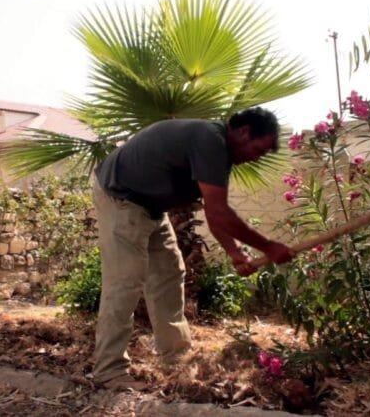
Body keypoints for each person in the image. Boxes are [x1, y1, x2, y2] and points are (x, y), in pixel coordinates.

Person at [91, 107, 295, 390]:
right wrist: (269, 246)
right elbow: (220, 212)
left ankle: (175, 358)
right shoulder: (209, 139)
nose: (255, 158)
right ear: (244, 132)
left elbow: (214, 213)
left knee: (169, 273)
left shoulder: (218, 151)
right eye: (258, 149)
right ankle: (108, 370)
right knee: (125, 281)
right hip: (121, 197)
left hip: (151, 206)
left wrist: (236, 254)